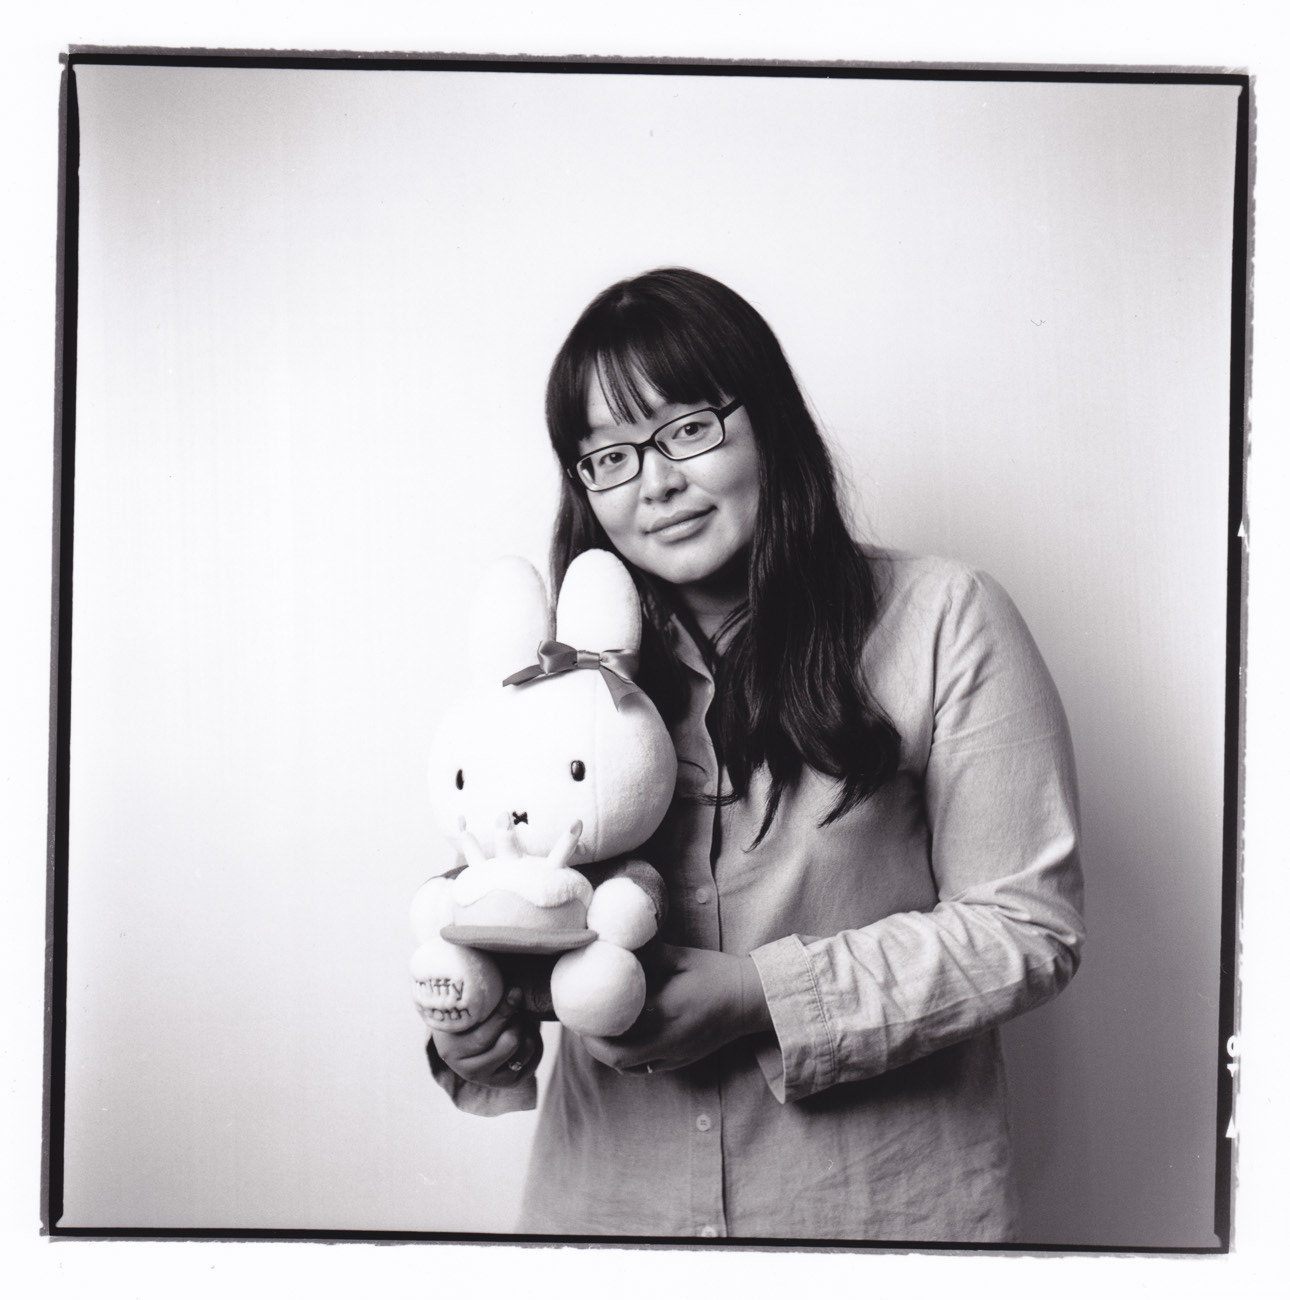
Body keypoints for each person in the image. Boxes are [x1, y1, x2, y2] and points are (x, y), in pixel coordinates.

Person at [426, 267, 1085, 1242]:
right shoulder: (551, 681)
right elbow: (508, 897)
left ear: (768, 419)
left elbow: (1027, 927)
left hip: (876, 1217)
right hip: (610, 1214)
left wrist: (764, 997)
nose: (654, 483)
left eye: (688, 429)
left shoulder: (946, 619)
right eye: (608, 456)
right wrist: (476, 1030)